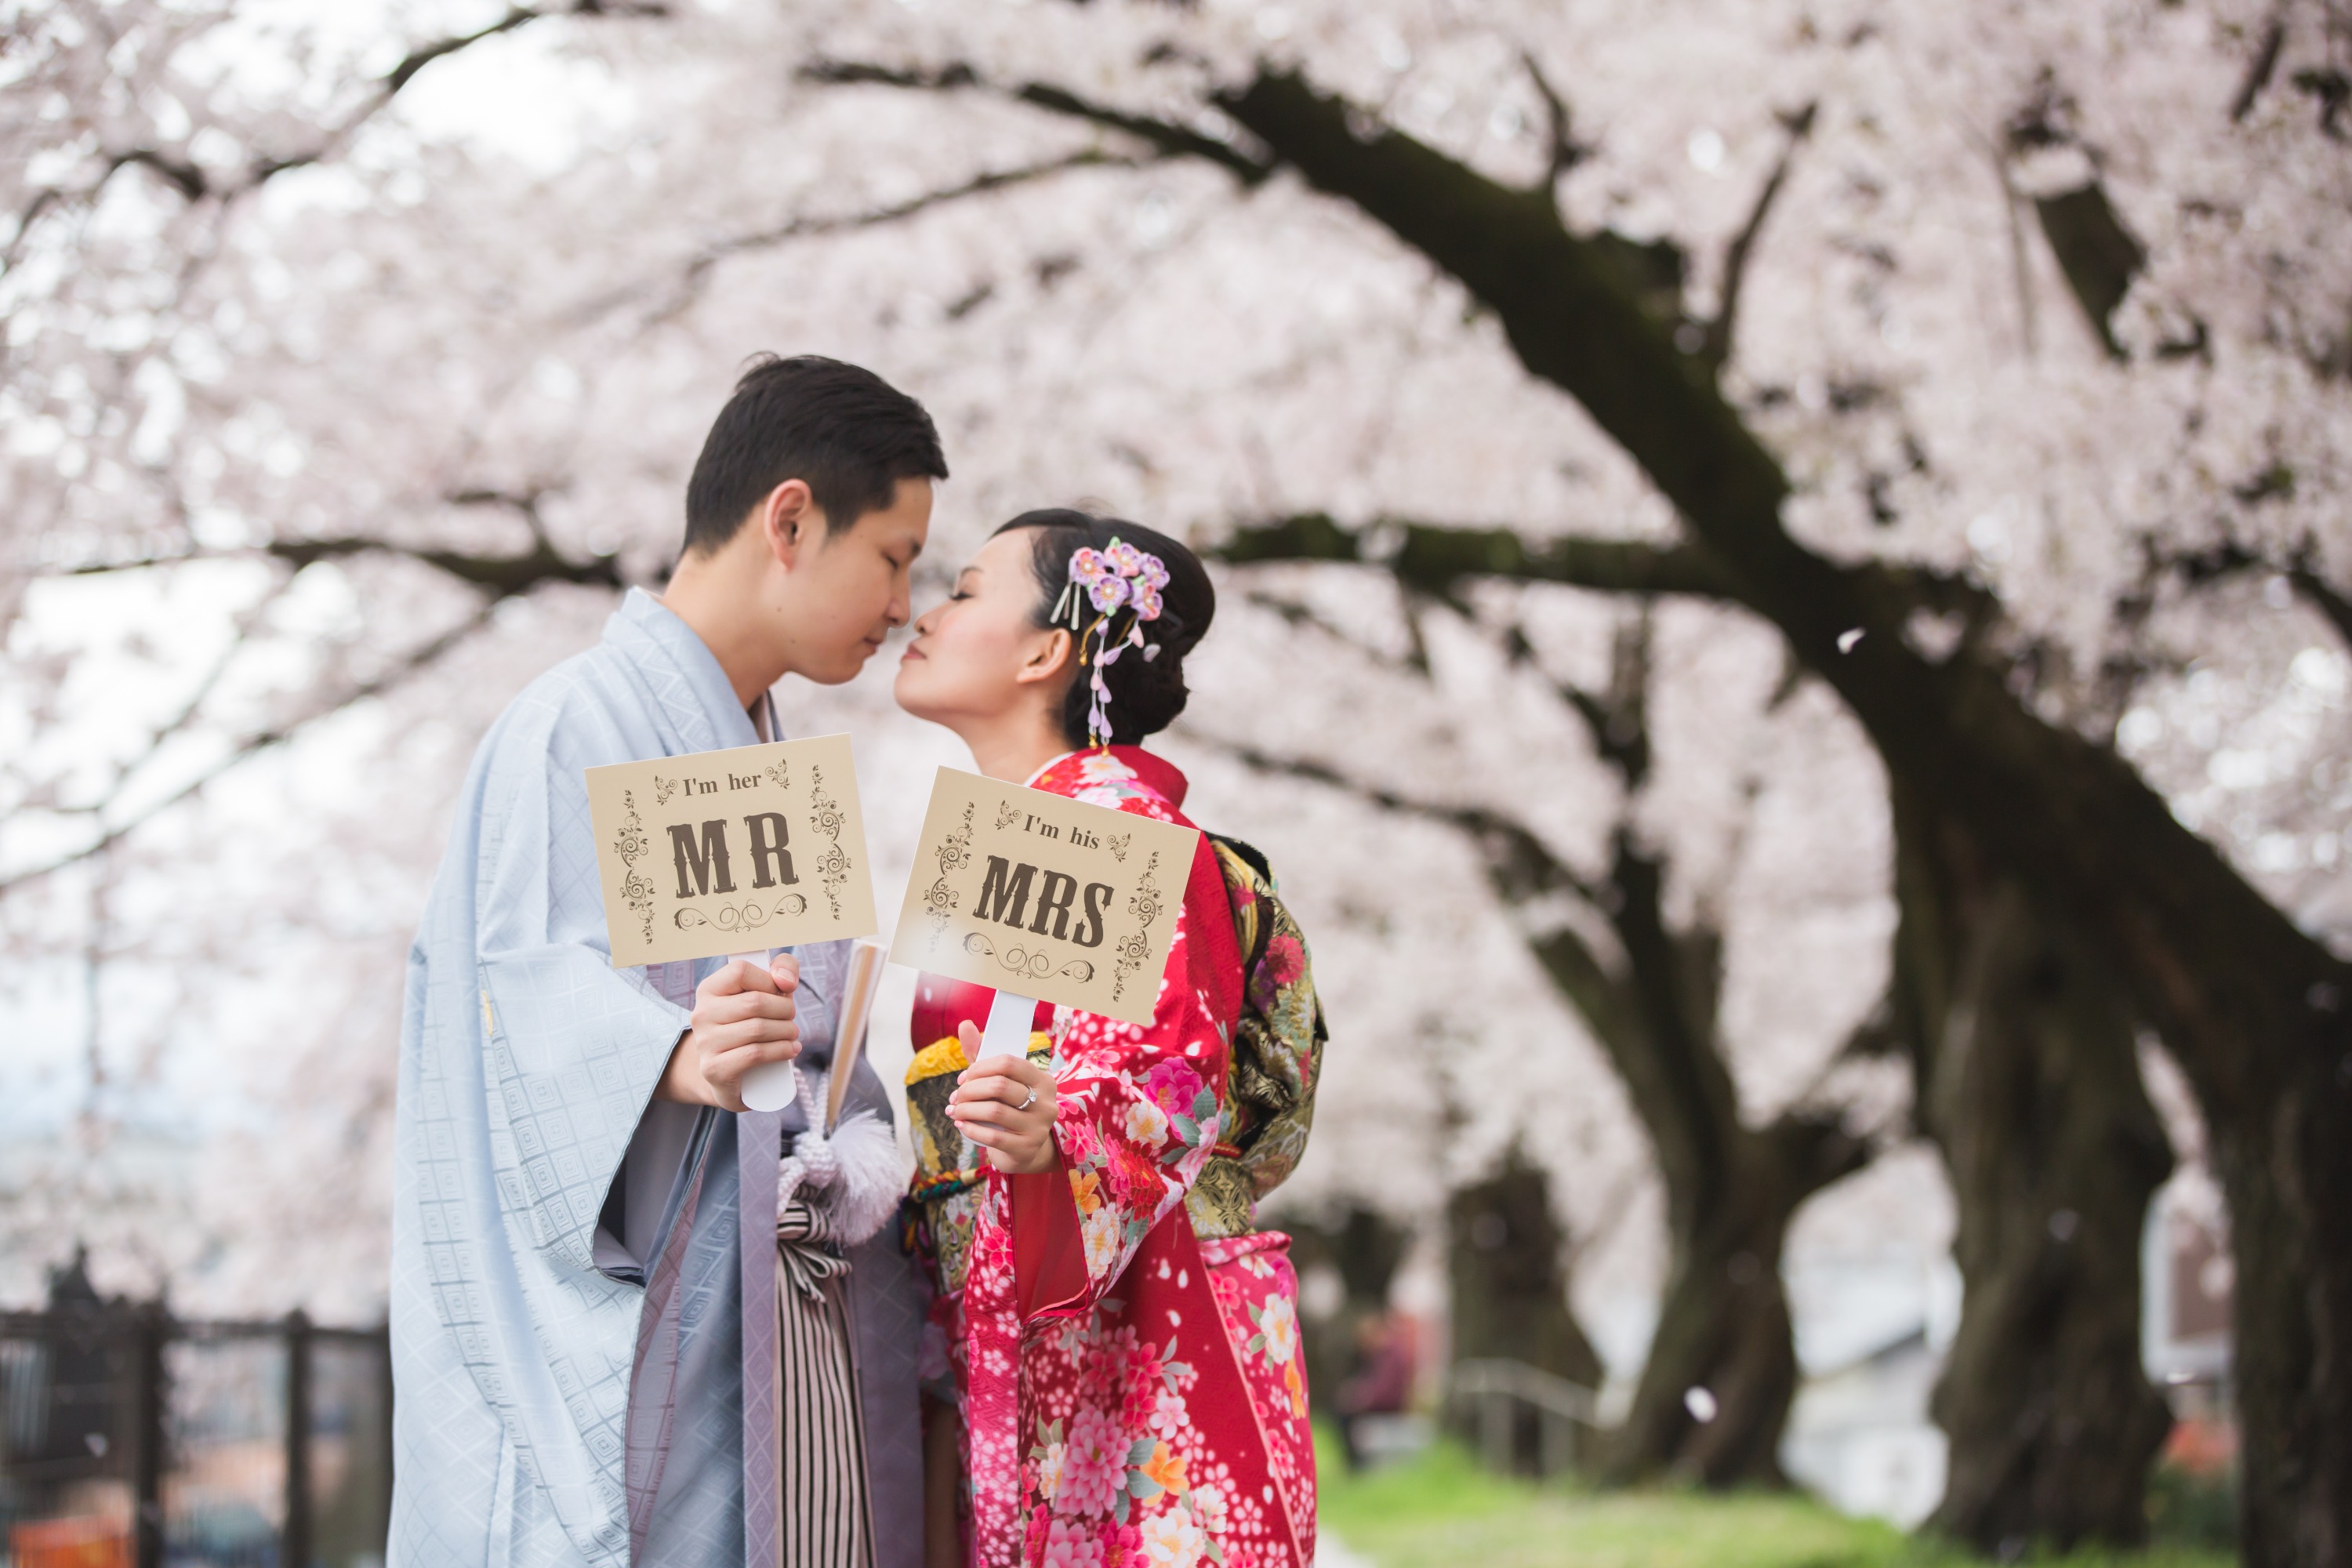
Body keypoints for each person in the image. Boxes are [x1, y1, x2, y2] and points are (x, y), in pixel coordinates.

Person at [390, 354, 944, 1568]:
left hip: (762, 1325)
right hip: (638, 1325)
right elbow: (510, 1000)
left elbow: (804, 1049)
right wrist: (666, 1056)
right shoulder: (571, 723)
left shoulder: (761, 751)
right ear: (789, 520)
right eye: (895, 558)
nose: (904, 604)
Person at [895, 511, 1327, 1568]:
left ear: (1048, 652)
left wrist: (1061, 1133)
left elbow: (1168, 1088)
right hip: (1010, 1313)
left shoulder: (1111, 830)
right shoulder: (1028, 830)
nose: (923, 612)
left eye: (962, 589)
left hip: (1122, 1336)